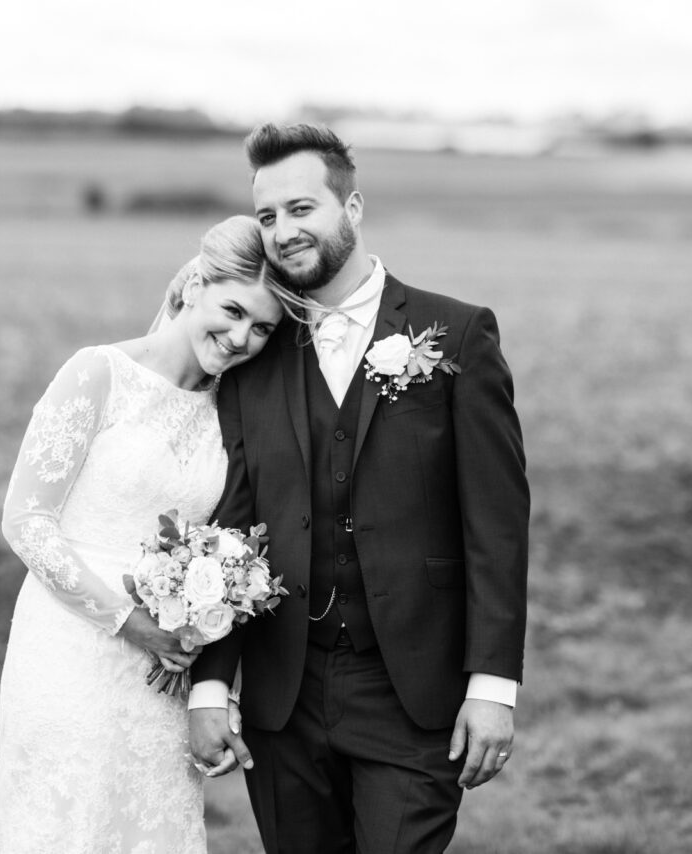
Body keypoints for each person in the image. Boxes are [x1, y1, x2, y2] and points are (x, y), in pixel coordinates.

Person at [187, 124, 531, 852]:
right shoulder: (256, 352)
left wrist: (493, 686)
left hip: (413, 694)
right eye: (269, 216)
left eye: (302, 208)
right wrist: (213, 683)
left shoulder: (457, 334)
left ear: (353, 207)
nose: (283, 232)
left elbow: (497, 525)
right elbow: (234, 528)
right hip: (284, 696)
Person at [0, 215, 287, 854]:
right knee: (63, 821)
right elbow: (25, 520)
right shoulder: (98, 373)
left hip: (164, 666)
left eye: (262, 329)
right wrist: (126, 621)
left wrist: (196, 633)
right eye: (232, 310)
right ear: (195, 285)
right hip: (70, 644)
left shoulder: (235, 411)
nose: (241, 337)